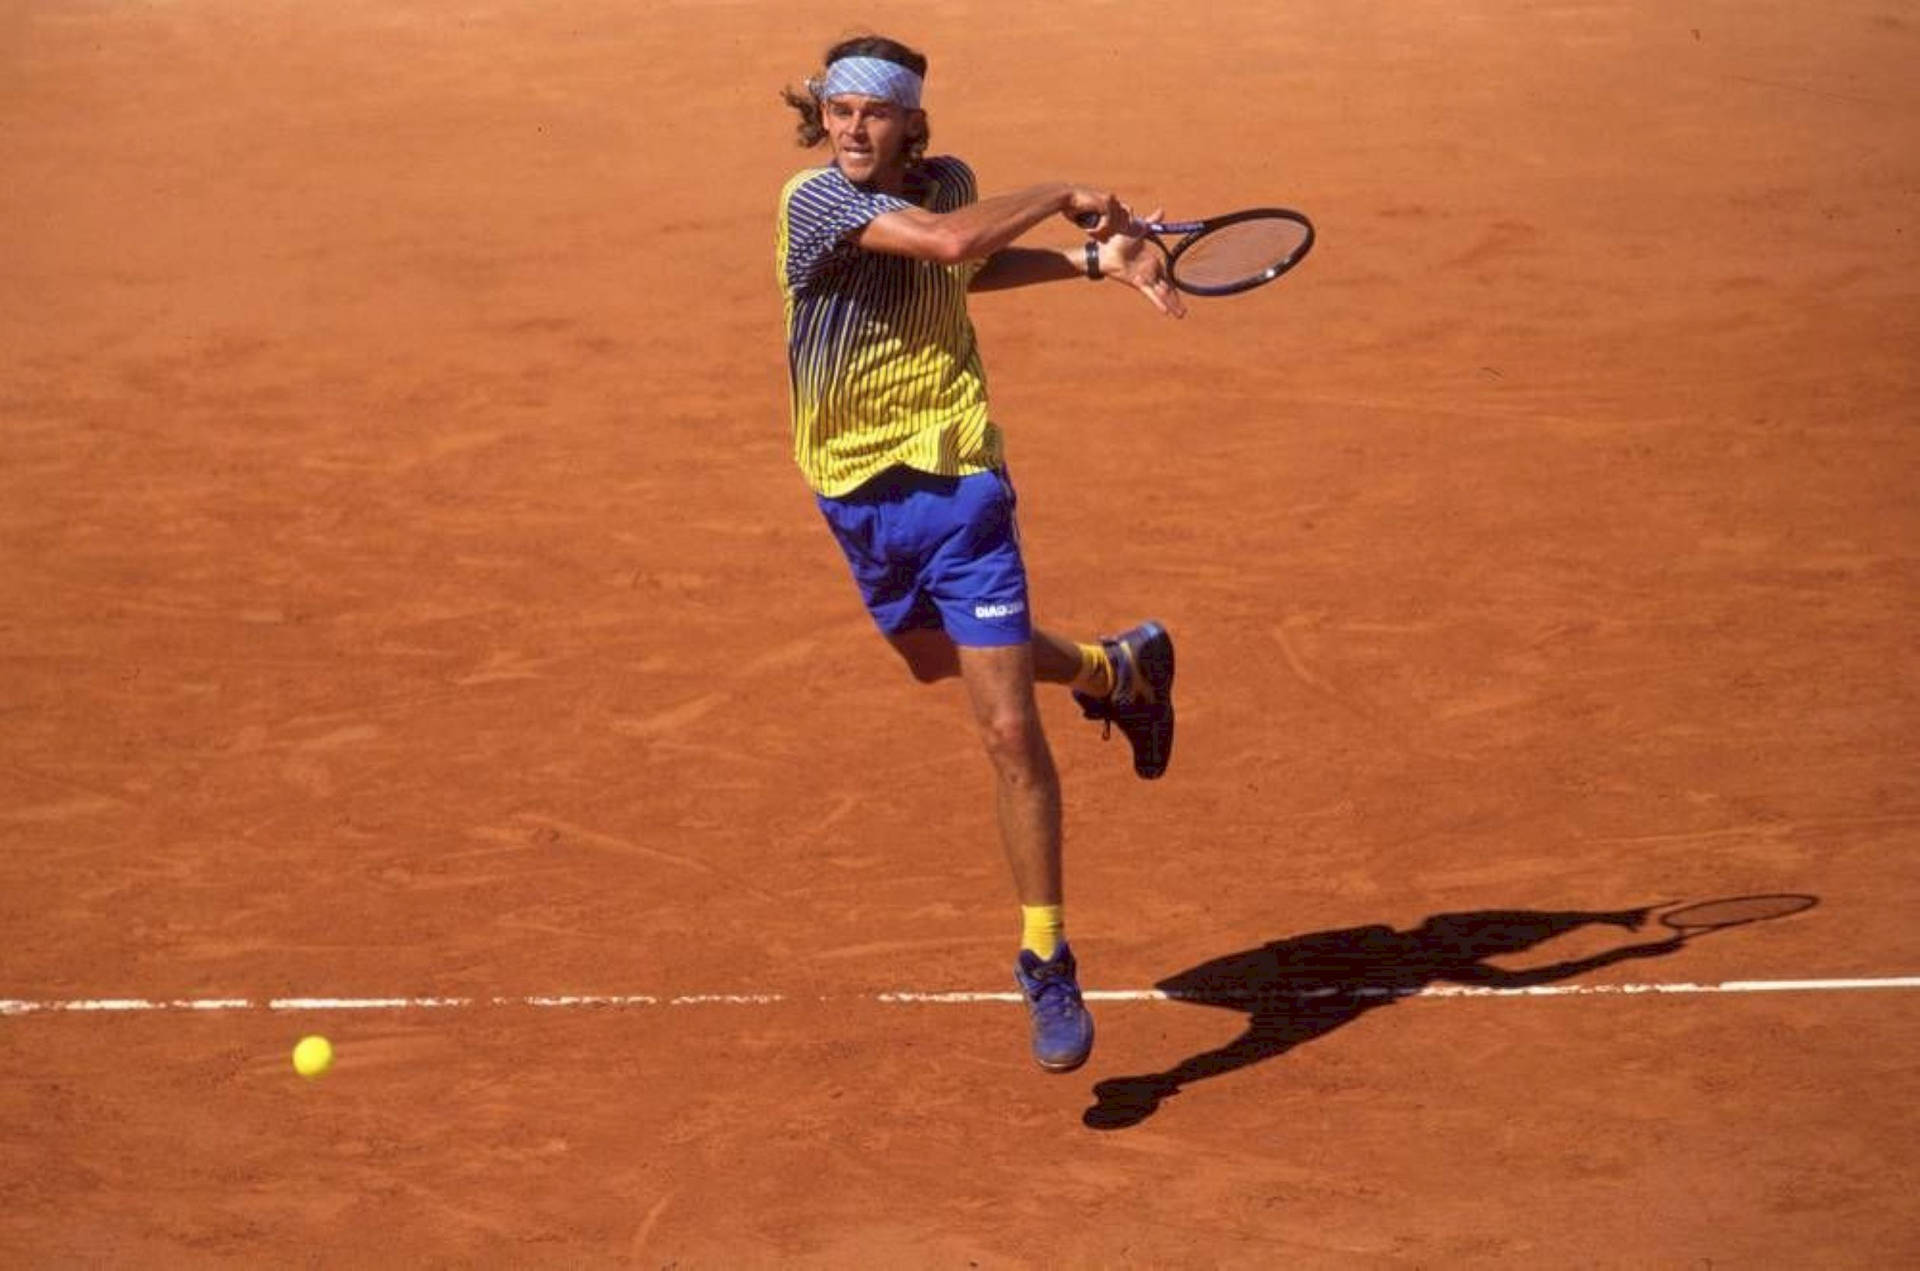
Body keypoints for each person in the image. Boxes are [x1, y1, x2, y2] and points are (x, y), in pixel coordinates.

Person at [775, 35, 1182, 1073]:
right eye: (837, 109)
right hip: (856, 496)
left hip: (962, 487)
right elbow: (953, 246)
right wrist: (1061, 192)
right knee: (931, 658)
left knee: (1006, 725)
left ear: (914, 126)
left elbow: (967, 266)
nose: (851, 128)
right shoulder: (811, 203)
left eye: (873, 112)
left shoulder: (948, 188)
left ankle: (1045, 954)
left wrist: (1095, 260)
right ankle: (1115, 666)